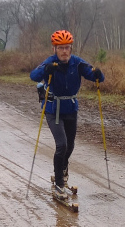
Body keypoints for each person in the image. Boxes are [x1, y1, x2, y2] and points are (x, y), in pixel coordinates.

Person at [29, 30, 104, 200]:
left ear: (71, 48)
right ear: (54, 48)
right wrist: (46, 70)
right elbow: (34, 75)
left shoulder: (77, 63)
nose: (64, 51)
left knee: (70, 145)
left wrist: (98, 74)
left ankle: (61, 171)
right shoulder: (51, 62)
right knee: (61, 144)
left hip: (70, 108)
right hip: (52, 109)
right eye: (60, 48)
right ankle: (59, 184)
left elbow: (94, 75)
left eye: (67, 48)